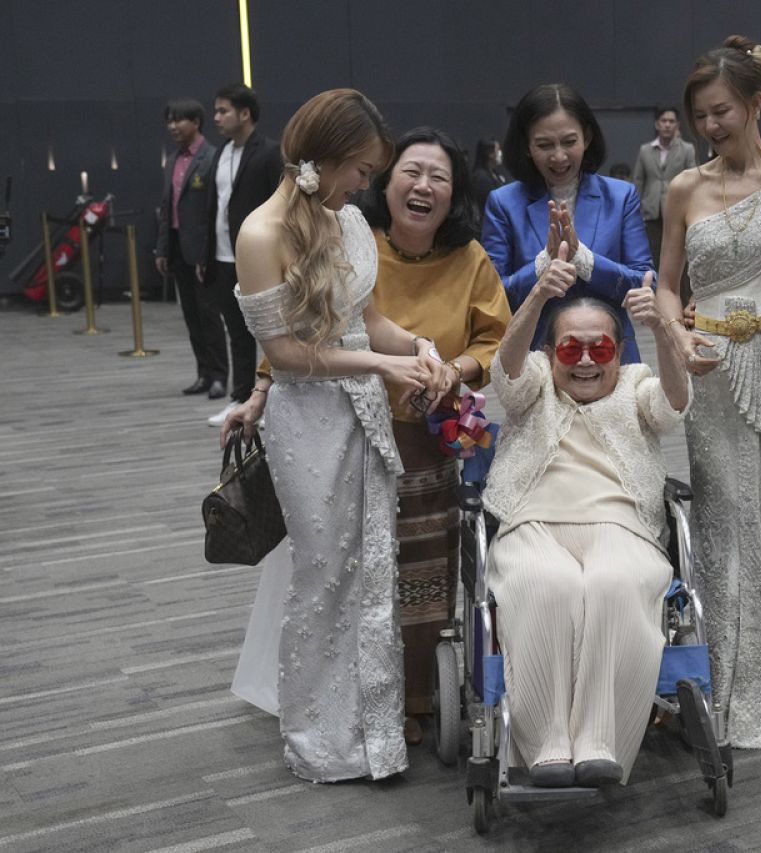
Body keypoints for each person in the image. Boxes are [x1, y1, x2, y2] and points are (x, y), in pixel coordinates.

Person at [224, 126, 512, 747]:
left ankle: (415, 695)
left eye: (439, 176)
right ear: (383, 179)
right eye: (409, 171)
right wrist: (260, 390)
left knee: (423, 571)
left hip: (427, 432)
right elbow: (296, 329)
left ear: (455, 192)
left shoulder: (468, 259)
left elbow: (493, 340)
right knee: (348, 572)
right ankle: (349, 705)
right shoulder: (344, 234)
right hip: (344, 423)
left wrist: (446, 366)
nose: (423, 185)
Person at [654, 35, 761, 749]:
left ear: (756, 101)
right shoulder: (684, 189)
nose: (710, 128)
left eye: (721, 111)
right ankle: (720, 697)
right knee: (724, 525)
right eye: (700, 116)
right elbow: (668, 287)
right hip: (711, 371)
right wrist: (676, 334)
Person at [482, 267, 690, 787]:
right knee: (547, 585)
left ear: (621, 353)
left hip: (621, 526)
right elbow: (503, 377)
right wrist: (537, 297)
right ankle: (546, 743)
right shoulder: (534, 381)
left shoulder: (638, 384)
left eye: (601, 351)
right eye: (571, 351)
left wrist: (662, 328)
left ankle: (601, 741)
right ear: (550, 355)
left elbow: (673, 407)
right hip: (533, 522)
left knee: (613, 584)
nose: (586, 363)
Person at [481, 83, 652, 364]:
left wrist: (584, 260)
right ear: (526, 145)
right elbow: (492, 296)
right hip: (537, 361)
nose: (558, 156)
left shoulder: (621, 196)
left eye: (569, 142)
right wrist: (543, 264)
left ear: (587, 137)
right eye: (544, 145)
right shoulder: (503, 203)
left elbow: (646, 282)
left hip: (610, 357)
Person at [203, 84, 285, 427]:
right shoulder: (220, 154)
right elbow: (216, 207)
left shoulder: (268, 153)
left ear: (245, 113)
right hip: (224, 257)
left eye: (223, 111)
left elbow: (280, 204)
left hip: (259, 258)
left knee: (271, 331)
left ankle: (270, 400)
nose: (217, 118)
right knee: (236, 330)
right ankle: (240, 397)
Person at [155, 98, 222, 399]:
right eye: (170, 120)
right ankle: (203, 374)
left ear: (196, 122)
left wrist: (208, 252)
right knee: (191, 316)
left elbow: (212, 211)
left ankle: (221, 376)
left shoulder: (212, 158)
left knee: (209, 315)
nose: (173, 126)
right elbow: (166, 207)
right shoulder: (172, 160)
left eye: (179, 120)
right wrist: (162, 250)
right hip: (177, 249)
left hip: (202, 252)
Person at [633, 107, 697, 273]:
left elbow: (693, 180)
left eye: (671, 121)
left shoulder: (687, 149)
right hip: (651, 211)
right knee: (652, 257)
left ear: (677, 125)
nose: (667, 125)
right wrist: (636, 209)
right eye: (664, 121)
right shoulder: (645, 150)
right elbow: (638, 180)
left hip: (677, 210)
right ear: (657, 124)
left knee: (678, 258)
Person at [471, 138, 509, 211]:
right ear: (490, 154)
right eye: (498, 150)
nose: (500, 153)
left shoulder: (495, 174)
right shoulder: (481, 178)